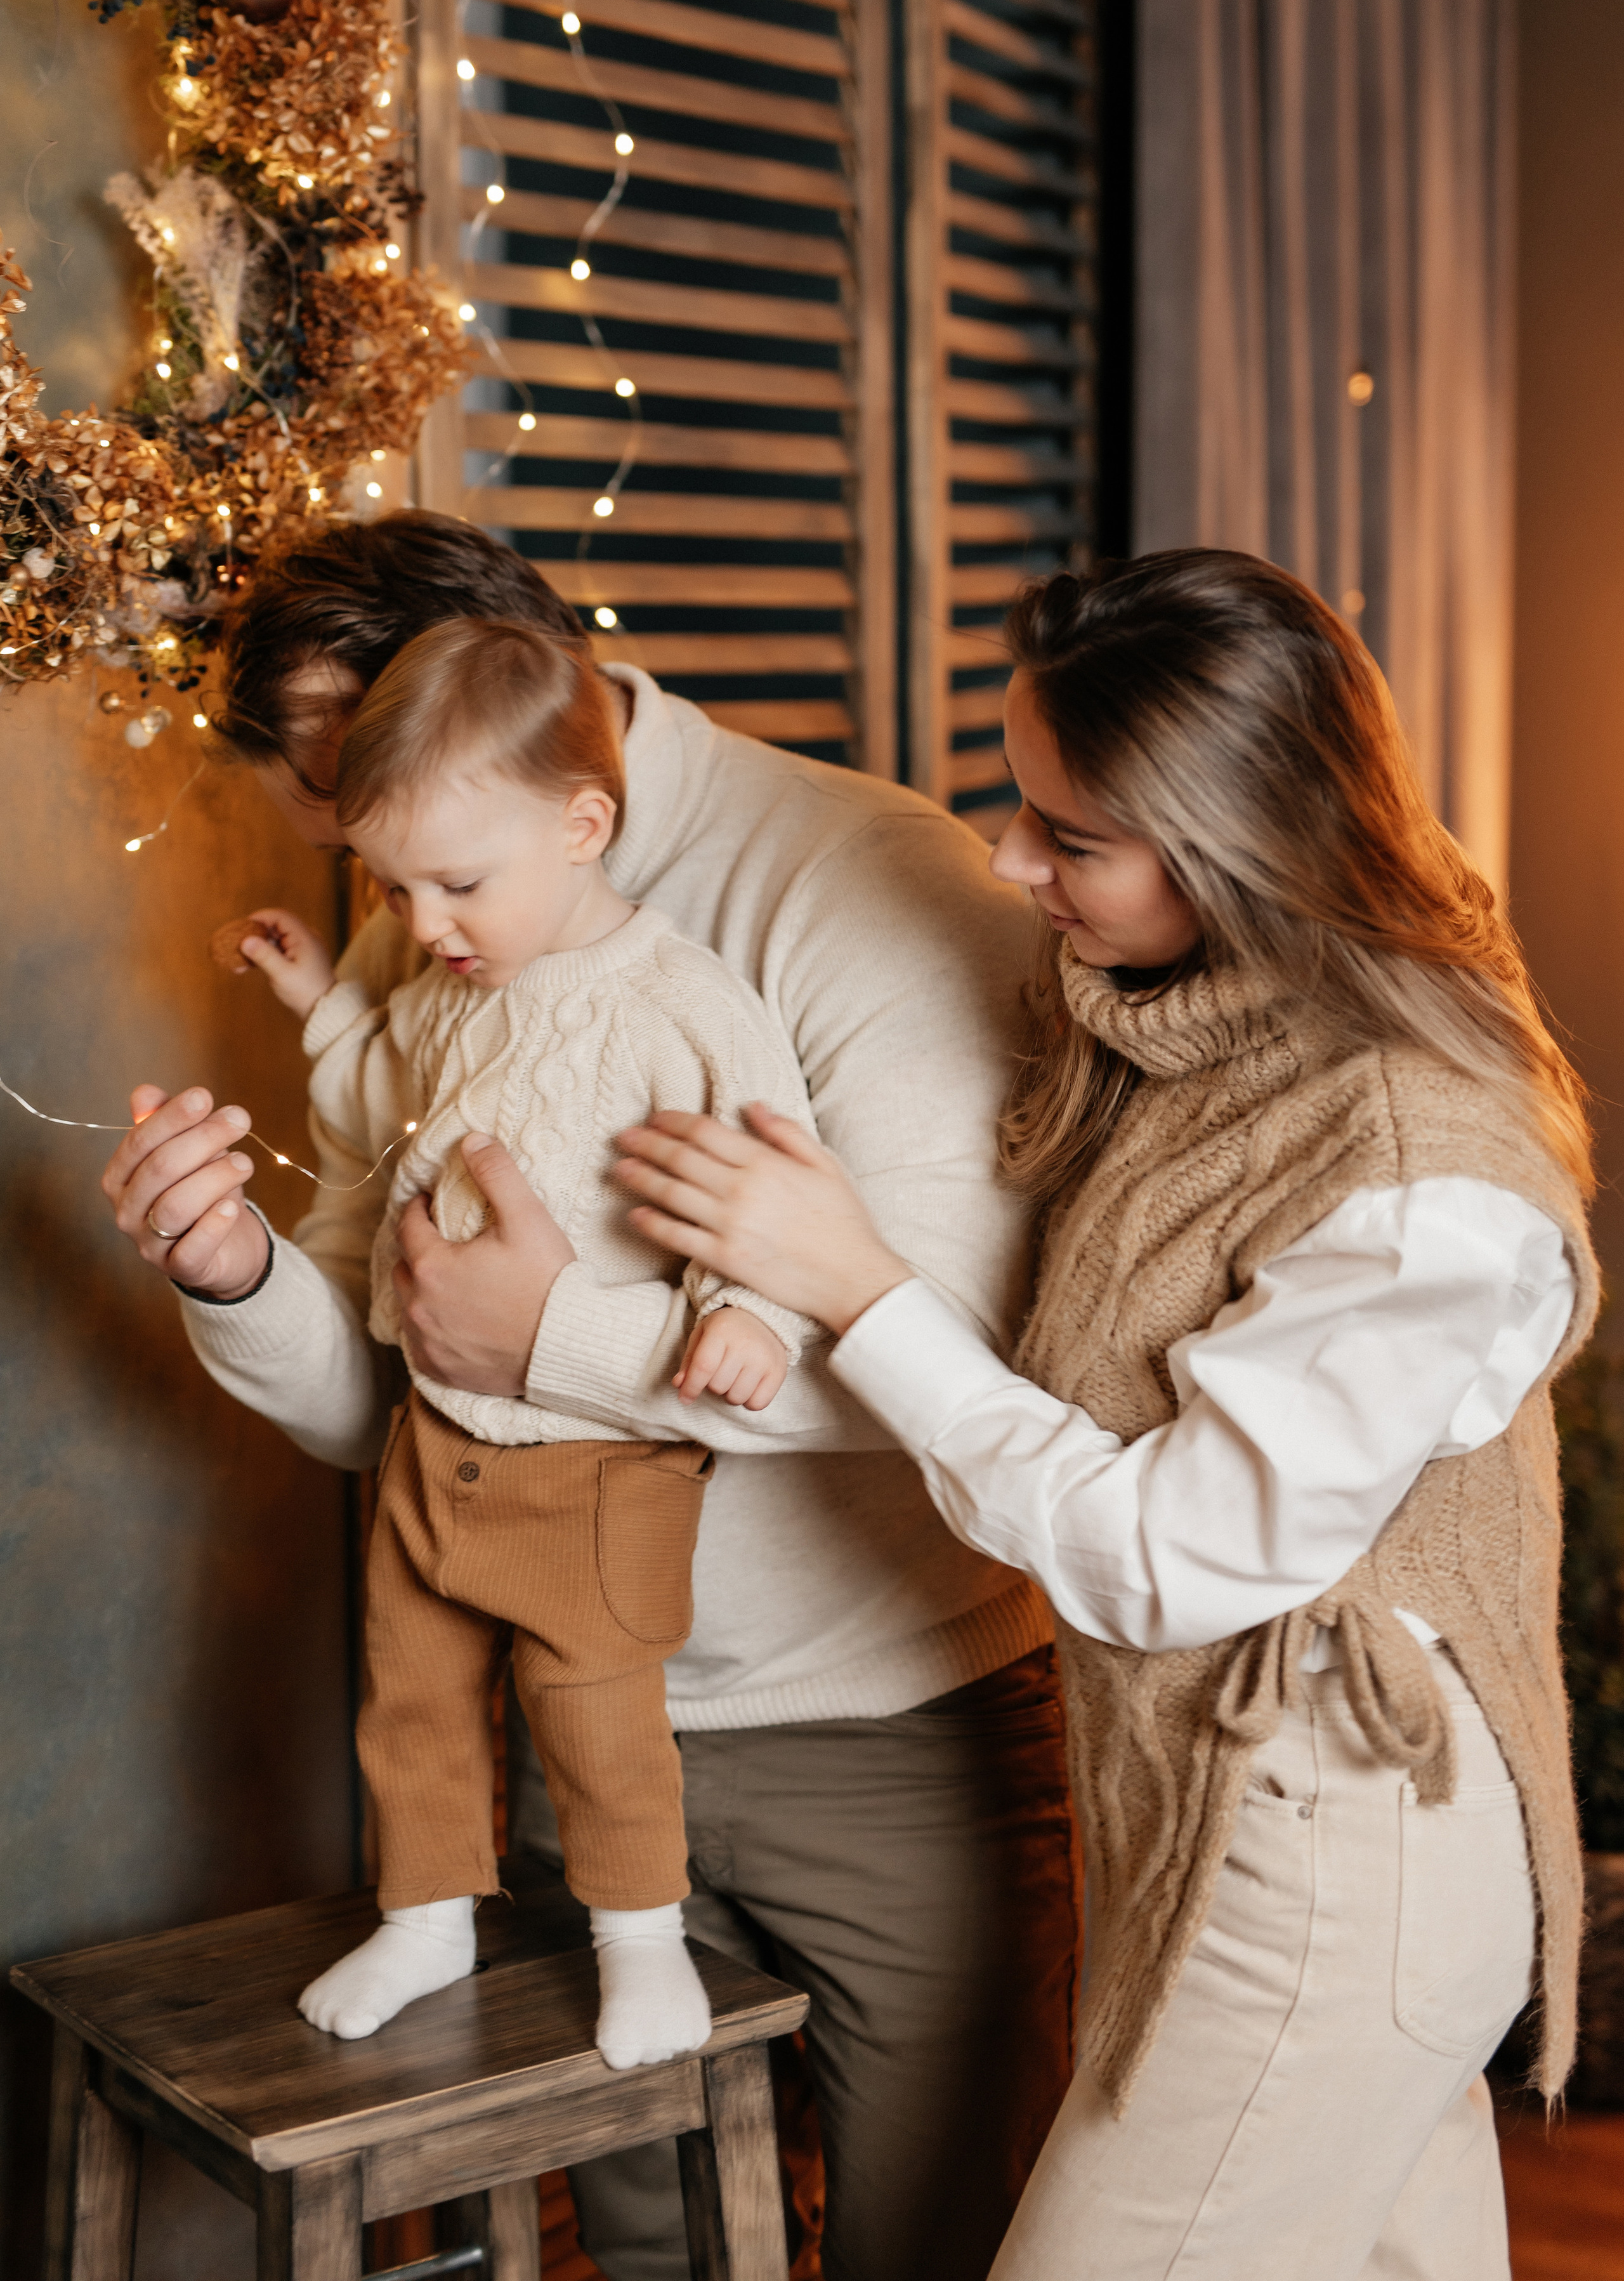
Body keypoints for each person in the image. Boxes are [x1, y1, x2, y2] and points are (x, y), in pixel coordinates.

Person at [100, 511, 1076, 2281]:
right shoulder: (438, 900)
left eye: (357, 768)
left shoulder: (863, 884)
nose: (357, 848)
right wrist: (235, 1273)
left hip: (887, 1733)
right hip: (561, 1715)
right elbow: (381, 1389)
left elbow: (964, 1359)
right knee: (642, 2250)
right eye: (340, 812)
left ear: (516, 713)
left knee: (952, 2237)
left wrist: (550, 1337)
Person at [610, 551, 1598, 2281]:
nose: (1006, 862)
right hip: (1223, 1832)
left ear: (1245, 851)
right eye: (1025, 805)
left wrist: (854, 1287)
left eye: (1070, 837)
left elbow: (1166, 1559)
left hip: (1338, 1859)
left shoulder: (1420, 1176)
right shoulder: (1207, 1040)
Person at [218, 614, 820, 2067]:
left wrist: (752, 1313)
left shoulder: (680, 1002)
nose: (424, 922)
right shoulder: (442, 988)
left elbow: (786, 1189)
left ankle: (641, 1944)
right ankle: (426, 1913)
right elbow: (389, 1128)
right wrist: (325, 1013)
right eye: (395, 886)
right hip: (437, 1439)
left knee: (598, 1721)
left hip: (596, 1463)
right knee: (410, 1694)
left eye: (458, 884)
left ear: (582, 823)